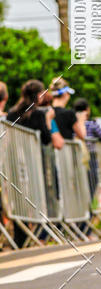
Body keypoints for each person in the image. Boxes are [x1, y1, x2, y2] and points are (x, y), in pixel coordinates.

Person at [6, 80, 64, 247]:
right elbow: (46, 139)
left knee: (19, 201)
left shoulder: (12, 113)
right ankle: (40, 234)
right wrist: (48, 120)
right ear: (39, 95)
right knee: (39, 199)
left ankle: (20, 239)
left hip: (16, 164)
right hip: (35, 165)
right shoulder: (38, 114)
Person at [74, 97, 101, 204]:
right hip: (90, 158)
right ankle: (87, 208)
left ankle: (82, 208)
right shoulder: (91, 124)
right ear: (87, 109)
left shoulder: (72, 125)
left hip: (75, 156)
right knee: (91, 183)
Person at [50, 77, 86, 142]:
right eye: (69, 94)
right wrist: (81, 121)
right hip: (65, 150)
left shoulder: (46, 112)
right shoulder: (69, 113)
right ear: (65, 94)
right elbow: (82, 136)